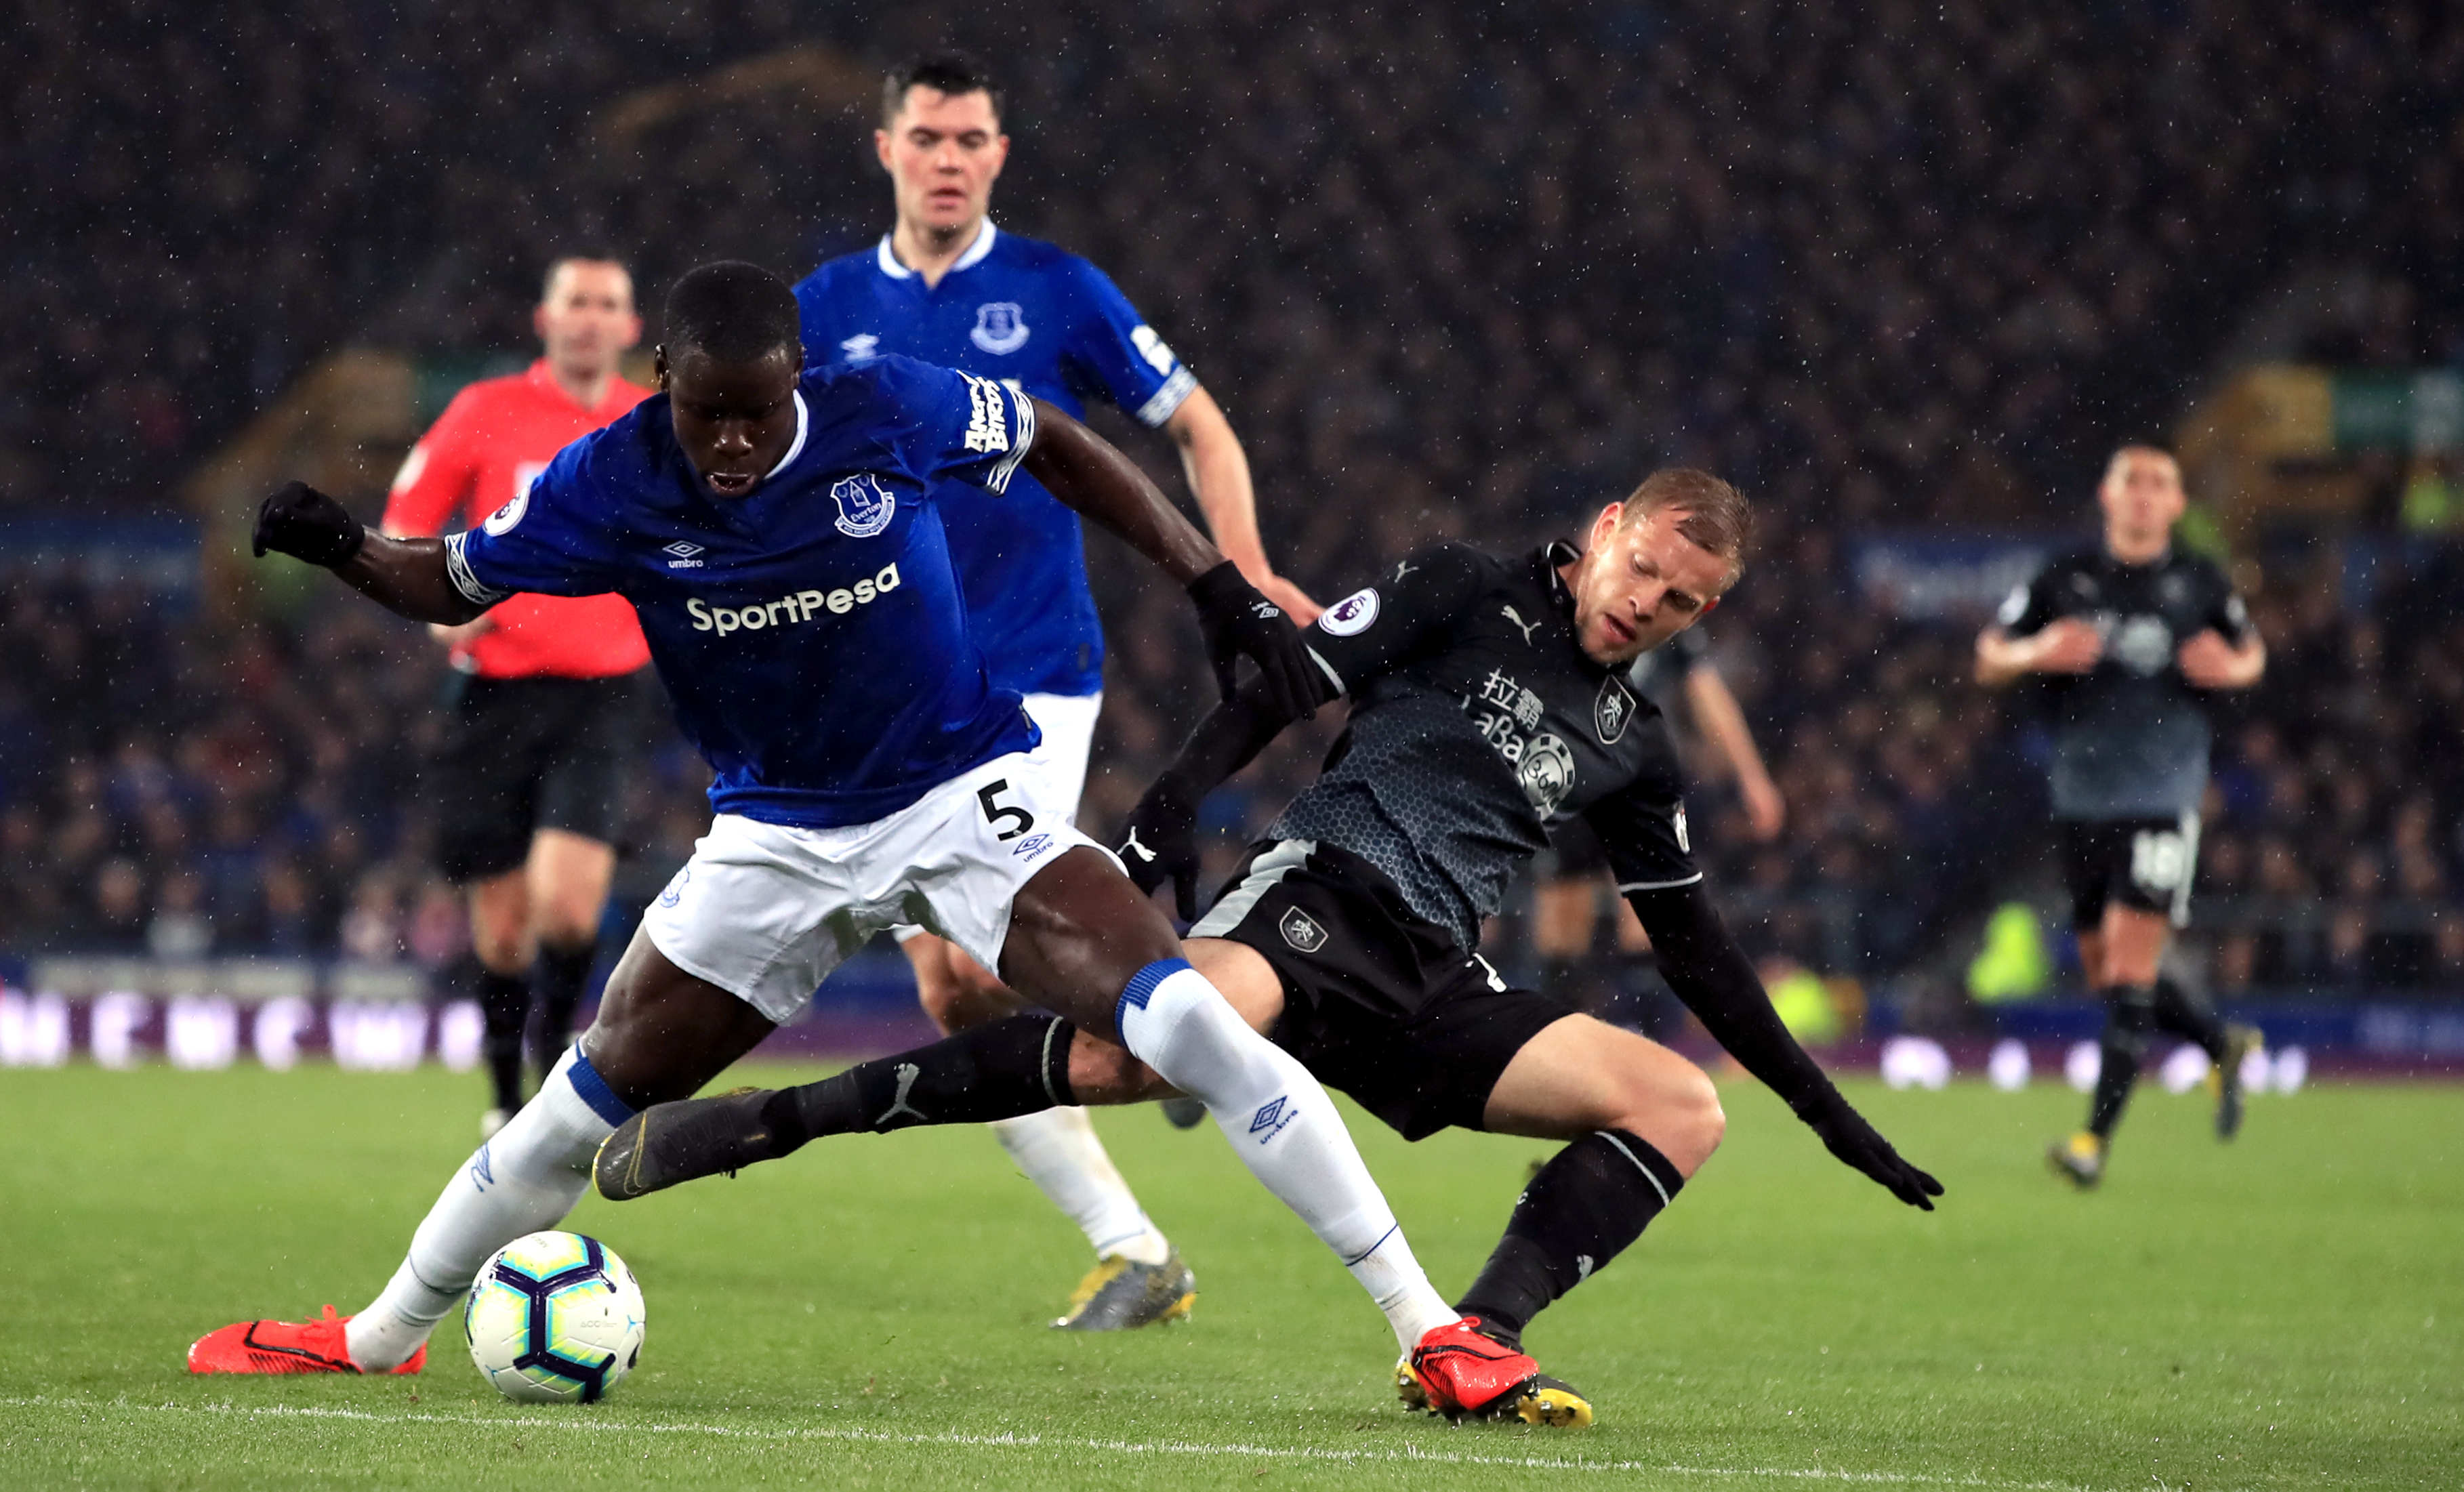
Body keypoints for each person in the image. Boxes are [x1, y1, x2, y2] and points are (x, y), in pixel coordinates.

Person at [189, 262, 1530, 1424]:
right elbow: (452, 579)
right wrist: (346, 548)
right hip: (772, 838)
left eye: (755, 410)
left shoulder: (884, 404)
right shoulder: (610, 478)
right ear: (663, 385)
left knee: (1185, 1020)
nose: (730, 441)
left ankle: (1433, 1329)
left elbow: (1056, 441)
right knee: (575, 1108)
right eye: (705, 413)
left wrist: (1216, 585)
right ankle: (377, 1337)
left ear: (799, 376)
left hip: (959, 796)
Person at [591, 469, 1944, 1426]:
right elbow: (1287, 682)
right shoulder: (1464, 587)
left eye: (1684, 603)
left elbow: (1699, 952)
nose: (1649, 603)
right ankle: (774, 1121)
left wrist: (1832, 1118)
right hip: (1320, 902)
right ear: (1607, 532)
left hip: (1434, 978)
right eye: (1644, 568)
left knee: (1681, 1104)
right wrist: (1163, 817)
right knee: (1130, 1058)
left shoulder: (1633, 746)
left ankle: (1475, 1337)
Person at [791, 54, 1317, 1327]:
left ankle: (1142, 1190)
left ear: (999, 155)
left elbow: (1198, 422)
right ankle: (1157, 1022)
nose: (949, 159)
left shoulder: (1056, 289)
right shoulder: (824, 304)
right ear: (887, 149)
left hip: (1031, 671)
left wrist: (1242, 567)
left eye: (971, 139)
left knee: (965, 957)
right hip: (885, 685)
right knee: (956, 987)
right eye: (928, 137)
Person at [382, 255, 655, 1136]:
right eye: (576, 301)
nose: (590, 317)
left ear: (629, 327)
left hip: (603, 696)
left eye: (606, 304)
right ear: (546, 318)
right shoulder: (484, 408)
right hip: (495, 694)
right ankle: (505, 1099)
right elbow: (407, 517)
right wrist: (438, 605)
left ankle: (552, 1068)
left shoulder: (649, 421)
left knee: (568, 910)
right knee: (502, 932)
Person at [1975, 444, 2266, 1188]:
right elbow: (1989, 657)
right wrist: (2039, 651)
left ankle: (2092, 1143)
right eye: (2131, 481)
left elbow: (2252, 654)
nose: (2143, 493)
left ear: (2177, 504)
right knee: (2109, 978)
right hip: (2082, 796)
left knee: (2133, 970)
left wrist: (2230, 669)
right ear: (2107, 496)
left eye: (2159, 483)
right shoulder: (2064, 577)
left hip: (2163, 797)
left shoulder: (2200, 581)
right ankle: (2220, 1044)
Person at [1529, 621, 1784, 1027]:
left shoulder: (1672, 616)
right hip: (1568, 773)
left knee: (1645, 920)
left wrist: (1751, 777)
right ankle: (1563, 1041)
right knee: (1564, 928)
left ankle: (1642, 1039)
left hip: (1634, 779)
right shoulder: (1569, 605)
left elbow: (1706, 692)